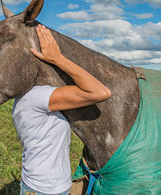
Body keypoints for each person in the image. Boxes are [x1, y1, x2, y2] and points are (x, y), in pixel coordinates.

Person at [12, 24, 111, 195]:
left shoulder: (22, 99)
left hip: (39, 186)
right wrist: (58, 58)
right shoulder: (36, 96)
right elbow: (101, 92)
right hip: (46, 190)